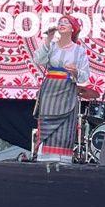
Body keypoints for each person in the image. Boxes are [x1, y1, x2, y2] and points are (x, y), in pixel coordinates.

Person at [31, 15, 90, 162]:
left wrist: (75, 72)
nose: (62, 24)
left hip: (67, 90)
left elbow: (85, 76)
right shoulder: (51, 46)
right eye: (60, 22)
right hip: (50, 89)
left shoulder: (79, 51)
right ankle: (43, 158)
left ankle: (62, 160)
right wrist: (48, 39)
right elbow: (38, 59)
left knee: (65, 126)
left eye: (66, 22)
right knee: (46, 122)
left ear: (73, 29)